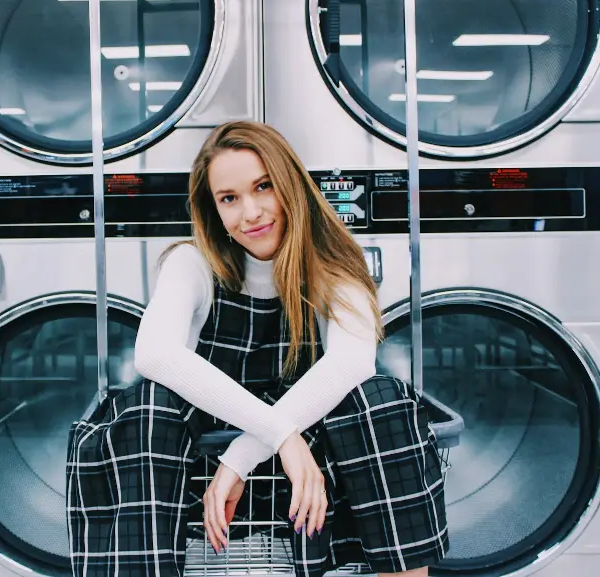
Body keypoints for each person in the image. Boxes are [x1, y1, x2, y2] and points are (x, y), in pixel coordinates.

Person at [66, 121, 448, 577]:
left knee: (378, 400)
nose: (250, 212)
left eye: (263, 187)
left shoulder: (334, 267)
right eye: (229, 198)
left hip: (305, 480)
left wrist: (247, 455)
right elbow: (154, 354)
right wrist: (279, 437)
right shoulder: (192, 264)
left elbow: (351, 363)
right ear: (214, 210)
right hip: (194, 479)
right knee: (147, 406)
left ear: (290, 183)